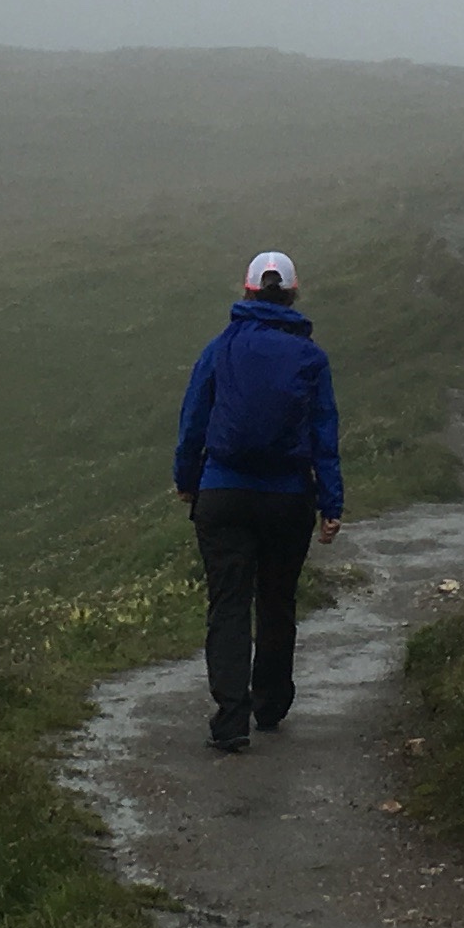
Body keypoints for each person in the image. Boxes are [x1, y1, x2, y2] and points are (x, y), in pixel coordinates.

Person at [172, 250, 343, 753]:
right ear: (293, 295)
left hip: (223, 494)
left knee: (227, 604)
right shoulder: (311, 358)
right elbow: (323, 435)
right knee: (276, 600)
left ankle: (230, 720)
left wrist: (189, 480)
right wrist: (331, 504)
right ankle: (270, 704)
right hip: (288, 498)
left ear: (246, 291)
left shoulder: (220, 347)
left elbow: (193, 422)